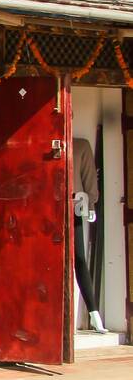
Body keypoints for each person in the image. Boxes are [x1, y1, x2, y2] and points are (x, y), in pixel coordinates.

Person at [73, 138, 106, 333]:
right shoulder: (43, 142)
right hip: (48, 207)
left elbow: (88, 176)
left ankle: (94, 314)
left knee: (79, 258)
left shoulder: (80, 145)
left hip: (74, 205)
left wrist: (91, 204)